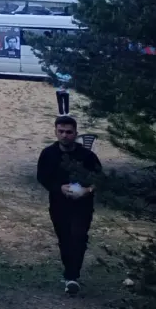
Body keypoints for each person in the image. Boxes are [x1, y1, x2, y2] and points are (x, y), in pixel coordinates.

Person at [37, 115, 102, 294]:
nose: (64, 135)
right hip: (59, 204)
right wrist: (59, 188)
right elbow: (42, 177)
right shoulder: (48, 154)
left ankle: (72, 277)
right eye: (61, 131)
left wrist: (88, 190)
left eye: (69, 132)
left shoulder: (87, 156)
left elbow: (100, 179)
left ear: (75, 133)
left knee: (79, 237)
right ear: (55, 132)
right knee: (65, 239)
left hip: (83, 205)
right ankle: (69, 273)